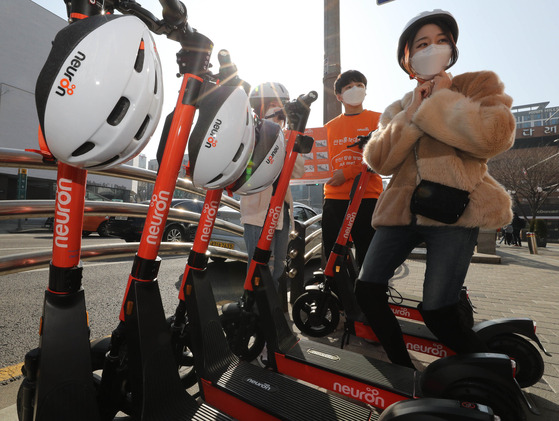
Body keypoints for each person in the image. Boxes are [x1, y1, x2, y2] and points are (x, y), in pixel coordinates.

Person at [355, 9, 516, 369]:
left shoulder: (476, 85)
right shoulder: (398, 107)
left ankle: (495, 375)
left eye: (442, 41)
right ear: (407, 59)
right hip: (401, 209)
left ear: (453, 49)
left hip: (456, 211)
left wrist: (442, 100)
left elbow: (494, 137)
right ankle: (403, 369)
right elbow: (379, 161)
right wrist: (414, 109)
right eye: (423, 44)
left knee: (438, 311)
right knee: (366, 289)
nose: (434, 48)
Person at [240, 82, 304, 291]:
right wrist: (266, 131)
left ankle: (271, 311)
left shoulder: (285, 137)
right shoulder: (248, 133)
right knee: (258, 266)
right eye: (272, 105)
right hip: (257, 212)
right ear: (259, 107)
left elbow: (298, 171)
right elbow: (244, 170)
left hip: (282, 212)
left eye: (281, 108)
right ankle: (254, 310)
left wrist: (287, 138)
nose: (277, 111)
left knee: (277, 269)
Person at [322, 70, 384, 268]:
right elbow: (322, 164)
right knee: (334, 256)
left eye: (359, 85)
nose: (355, 89)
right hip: (334, 198)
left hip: (367, 197)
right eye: (348, 87)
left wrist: (347, 173)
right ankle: (340, 295)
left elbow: (382, 158)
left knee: (369, 257)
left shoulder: (379, 120)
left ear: (366, 90)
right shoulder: (328, 128)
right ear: (339, 96)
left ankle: (365, 296)